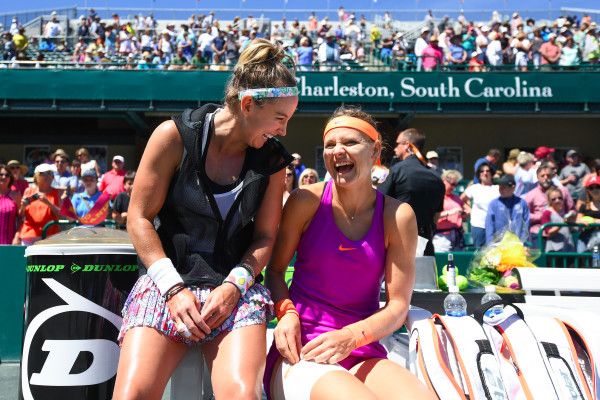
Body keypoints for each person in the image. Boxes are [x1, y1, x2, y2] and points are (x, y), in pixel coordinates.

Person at [113, 39, 298, 400]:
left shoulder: (274, 161)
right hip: (167, 284)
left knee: (243, 395)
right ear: (247, 105)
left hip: (236, 290)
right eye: (280, 118)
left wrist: (233, 287)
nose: (284, 131)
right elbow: (138, 218)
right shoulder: (174, 136)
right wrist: (173, 288)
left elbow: (264, 238)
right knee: (131, 395)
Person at [264, 106, 434, 400]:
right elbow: (275, 272)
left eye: (350, 142)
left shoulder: (398, 215)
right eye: (330, 144)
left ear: (375, 150)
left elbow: (397, 307)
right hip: (304, 349)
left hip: (362, 348)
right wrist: (286, 313)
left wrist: (351, 337)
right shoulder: (305, 201)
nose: (337, 151)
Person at [378, 128, 444, 256]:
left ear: (407, 145)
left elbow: (378, 204)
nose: (394, 148)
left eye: (398, 144)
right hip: (426, 246)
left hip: (398, 246)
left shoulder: (396, 171)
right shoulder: (436, 177)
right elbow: (436, 216)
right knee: (425, 277)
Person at [525, 163, 575, 245]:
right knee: (540, 257)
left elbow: (572, 209)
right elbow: (525, 215)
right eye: (542, 176)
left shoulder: (563, 191)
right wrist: (541, 216)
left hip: (561, 232)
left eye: (548, 175)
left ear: (552, 176)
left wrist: (569, 216)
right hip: (539, 233)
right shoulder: (531, 195)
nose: (546, 178)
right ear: (537, 177)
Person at [17, 164, 61, 245]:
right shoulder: (28, 191)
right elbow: (21, 214)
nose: (47, 176)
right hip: (29, 235)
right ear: (36, 177)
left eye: (50, 173)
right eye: (43, 173)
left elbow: (61, 215)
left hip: (50, 236)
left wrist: (48, 203)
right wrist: (23, 206)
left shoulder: (57, 193)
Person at [460, 163, 499, 248]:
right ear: (479, 174)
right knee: (479, 254)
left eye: (488, 171)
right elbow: (461, 199)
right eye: (482, 171)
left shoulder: (497, 188)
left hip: (495, 226)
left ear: (491, 173)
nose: (485, 173)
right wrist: (469, 210)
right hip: (479, 225)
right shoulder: (474, 188)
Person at [484, 174, 530, 245]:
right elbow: (489, 225)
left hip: (518, 244)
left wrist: (522, 242)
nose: (501, 190)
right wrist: (490, 244)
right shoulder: (494, 204)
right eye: (500, 187)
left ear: (513, 187)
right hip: (498, 245)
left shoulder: (522, 203)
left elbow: (526, 223)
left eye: (504, 187)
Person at [433, 169, 467, 252]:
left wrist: (464, 215)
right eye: (452, 184)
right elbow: (433, 217)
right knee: (442, 263)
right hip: (442, 237)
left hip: (457, 236)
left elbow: (465, 213)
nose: (454, 187)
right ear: (444, 181)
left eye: (456, 184)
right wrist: (450, 212)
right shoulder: (436, 197)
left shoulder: (456, 198)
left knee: (458, 263)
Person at [541, 187, 575, 252]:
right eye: (553, 199)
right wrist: (562, 223)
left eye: (560, 198)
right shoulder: (547, 213)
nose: (557, 200)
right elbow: (548, 232)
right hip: (555, 250)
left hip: (568, 248)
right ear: (549, 201)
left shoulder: (564, 213)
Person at [576, 176, 600, 251]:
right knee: (582, 258)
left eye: (597, 187)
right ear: (588, 191)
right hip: (585, 237)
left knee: (596, 260)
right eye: (591, 188)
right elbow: (578, 220)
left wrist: (595, 221)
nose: (595, 190)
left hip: (598, 240)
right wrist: (582, 221)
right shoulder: (584, 206)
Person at [0, 164, 21, 244]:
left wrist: (17, 236)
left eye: (7, 175)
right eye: (1, 174)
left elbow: (21, 219)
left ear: (10, 178)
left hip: (10, 240)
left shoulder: (16, 195)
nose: (4, 177)